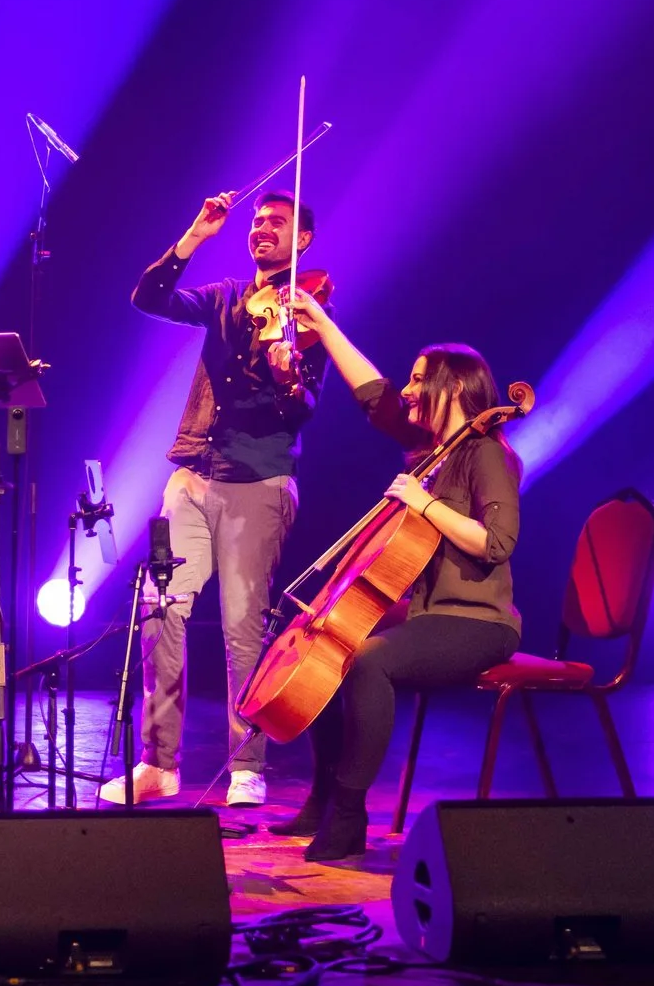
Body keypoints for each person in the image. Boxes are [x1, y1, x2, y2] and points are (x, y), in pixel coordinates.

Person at [272, 289, 520, 863]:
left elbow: (498, 542)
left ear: (452, 388)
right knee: (326, 645)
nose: (408, 390)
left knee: (369, 659)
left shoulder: (486, 454)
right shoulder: (431, 451)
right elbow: (375, 396)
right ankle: (323, 797)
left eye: (419, 380)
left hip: (478, 621)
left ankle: (349, 812)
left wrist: (424, 503)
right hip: (430, 614)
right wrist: (321, 325)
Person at [102, 190, 328, 810]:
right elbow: (149, 298)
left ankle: (247, 766)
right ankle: (158, 764)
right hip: (192, 472)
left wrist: (286, 376)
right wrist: (195, 235)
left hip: (258, 480)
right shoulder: (225, 297)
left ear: (302, 240)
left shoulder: (308, 311)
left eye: (276, 223)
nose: (262, 229)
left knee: (242, 627)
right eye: (257, 222)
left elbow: (304, 410)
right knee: (159, 606)